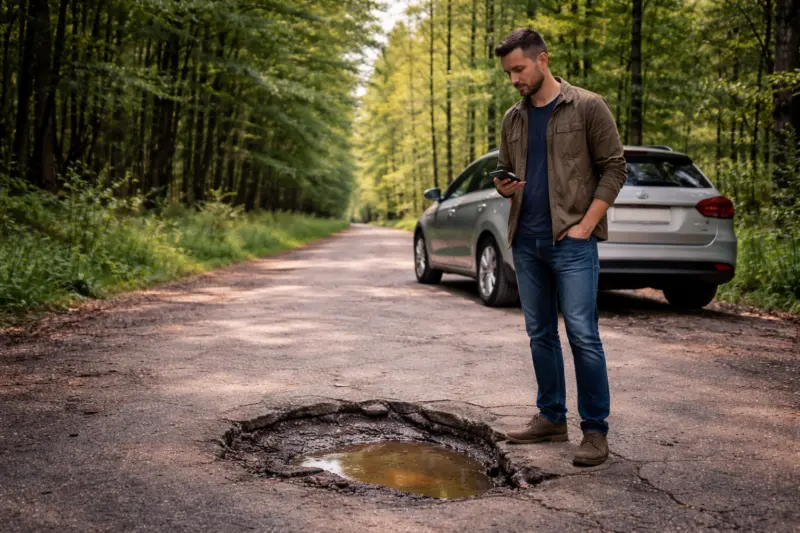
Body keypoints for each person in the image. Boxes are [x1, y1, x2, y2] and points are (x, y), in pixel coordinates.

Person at [492, 28, 627, 466]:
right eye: (508, 73)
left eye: (519, 69)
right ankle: (551, 418)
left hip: (572, 242)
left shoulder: (587, 106)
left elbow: (615, 168)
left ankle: (595, 431)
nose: (514, 79)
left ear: (542, 60)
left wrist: (586, 226)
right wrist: (503, 187)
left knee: (583, 335)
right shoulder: (513, 118)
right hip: (526, 241)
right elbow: (507, 171)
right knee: (540, 334)